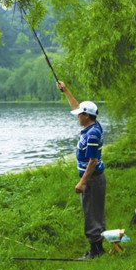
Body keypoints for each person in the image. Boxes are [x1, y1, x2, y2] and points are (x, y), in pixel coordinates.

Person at [56, 80, 106, 259]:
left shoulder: (92, 134)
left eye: (80, 114)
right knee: (95, 212)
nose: (77, 116)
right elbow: (77, 106)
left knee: (91, 214)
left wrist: (82, 182)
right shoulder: (92, 124)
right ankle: (99, 248)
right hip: (96, 178)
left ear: (86, 116)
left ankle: (96, 251)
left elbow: (93, 160)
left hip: (92, 179)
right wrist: (66, 90)